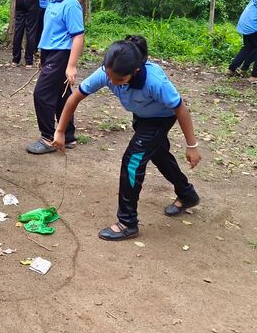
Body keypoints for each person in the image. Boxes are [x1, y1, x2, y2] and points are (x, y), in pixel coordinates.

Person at [53, 36, 202, 241]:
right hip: (141, 117)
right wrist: (60, 131)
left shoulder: (155, 81)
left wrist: (191, 145)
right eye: (110, 78)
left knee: (132, 161)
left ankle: (127, 222)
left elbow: (180, 108)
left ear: (136, 71)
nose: (114, 84)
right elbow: (75, 97)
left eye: (120, 80)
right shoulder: (107, 72)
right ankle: (187, 194)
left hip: (160, 119)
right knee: (158, 155)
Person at [26, 0, 84, 155]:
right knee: (61, 95)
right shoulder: (53, 0)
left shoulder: (71, 5)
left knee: (41, 94)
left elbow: (78, 35)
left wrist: (72, 66)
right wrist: (43, 56)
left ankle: (48, 138)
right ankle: (67, 136)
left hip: (61, 55)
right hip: (50, 53)